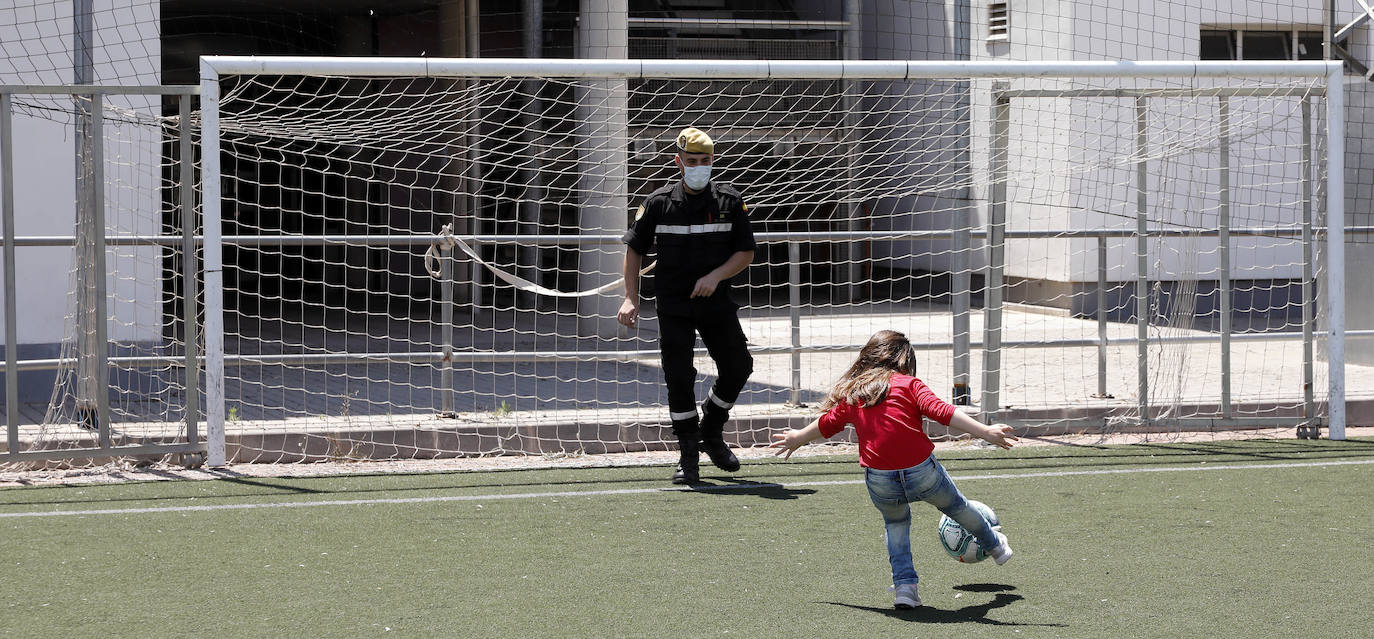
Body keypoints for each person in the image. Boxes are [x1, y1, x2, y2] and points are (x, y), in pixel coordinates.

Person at [769, 329, 1018, 609]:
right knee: (958, 507)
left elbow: (827, 424)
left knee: (896, 525)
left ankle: (905, 589)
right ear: (904, 360)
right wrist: (984, 431)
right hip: (921, 471)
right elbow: (942, 411)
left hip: (881, 479)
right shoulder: (910, 384)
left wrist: (797, 438)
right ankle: (995, 545)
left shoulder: (856, 392)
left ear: (870, 357)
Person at [618, 127, 756, 484]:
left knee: (739, 366)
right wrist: (630, 297)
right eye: (692, 161)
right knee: (679, 378)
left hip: (716, 302)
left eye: (705, 161)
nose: (699, 166)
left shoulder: (729, 200)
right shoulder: (658, 203)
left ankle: (711, 429)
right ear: (679, 162)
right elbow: (634, 250)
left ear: (713, 161)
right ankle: (688, 454)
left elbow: (746, 251)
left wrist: (715, 276)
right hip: (674, 306)